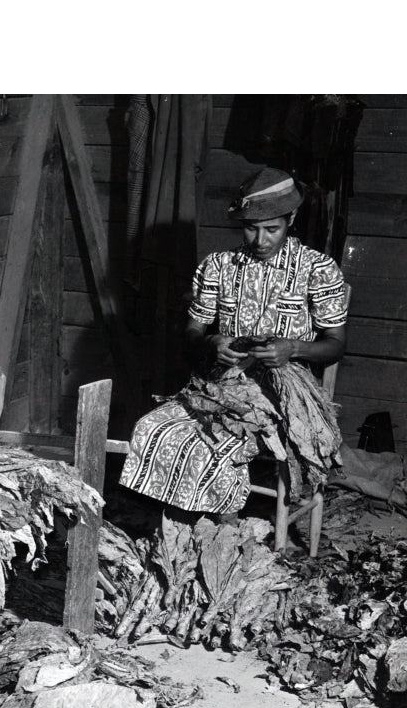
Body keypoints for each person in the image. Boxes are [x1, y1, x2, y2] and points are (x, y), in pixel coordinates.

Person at [119, 167, 348, 515]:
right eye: (251, 228)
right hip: (222, 386)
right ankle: (184, 528)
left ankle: (216, 529)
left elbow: (335, 345)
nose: (260, 240)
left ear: (292, 218)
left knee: (216, 442)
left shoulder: (317, 269)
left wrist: (293, 349)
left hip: (284, 394)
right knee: (152, 427)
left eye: (272, 229)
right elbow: (192, 333)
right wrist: (212, 342)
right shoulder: (218, 265)